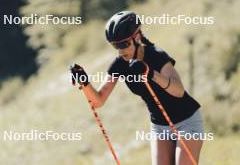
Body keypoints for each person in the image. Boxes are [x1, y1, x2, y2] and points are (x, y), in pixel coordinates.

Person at [70, 11, 204, 165]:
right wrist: (84, 82)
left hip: (186, 121)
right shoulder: (120, 64)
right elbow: (98, 100)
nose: (120, 50)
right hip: (160, 126)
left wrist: (150, 73)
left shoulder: (156, 55)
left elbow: (178, 91)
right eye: (115, 45)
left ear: (137, 36)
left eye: (123, 44)